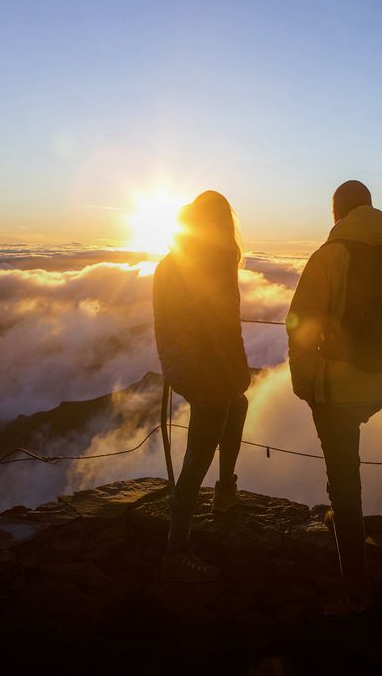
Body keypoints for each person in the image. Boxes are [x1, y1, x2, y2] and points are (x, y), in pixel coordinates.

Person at [286, 180, 382, 612]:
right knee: (347, 441)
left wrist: (303, 382)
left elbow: (299, 323)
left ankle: (354, 587)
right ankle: (341, 514)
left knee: (345, 471)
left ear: (337, 214)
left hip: (338, 386)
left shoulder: (328, 256)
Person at [152, 190, 251, 583]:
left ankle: (225, 493)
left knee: (237, 406)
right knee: (199, 453)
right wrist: (234, 370)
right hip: (204, 364)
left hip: (181, 362)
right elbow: (223, 324)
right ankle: (176, 551)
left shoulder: (173, 259)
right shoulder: (212, 260)